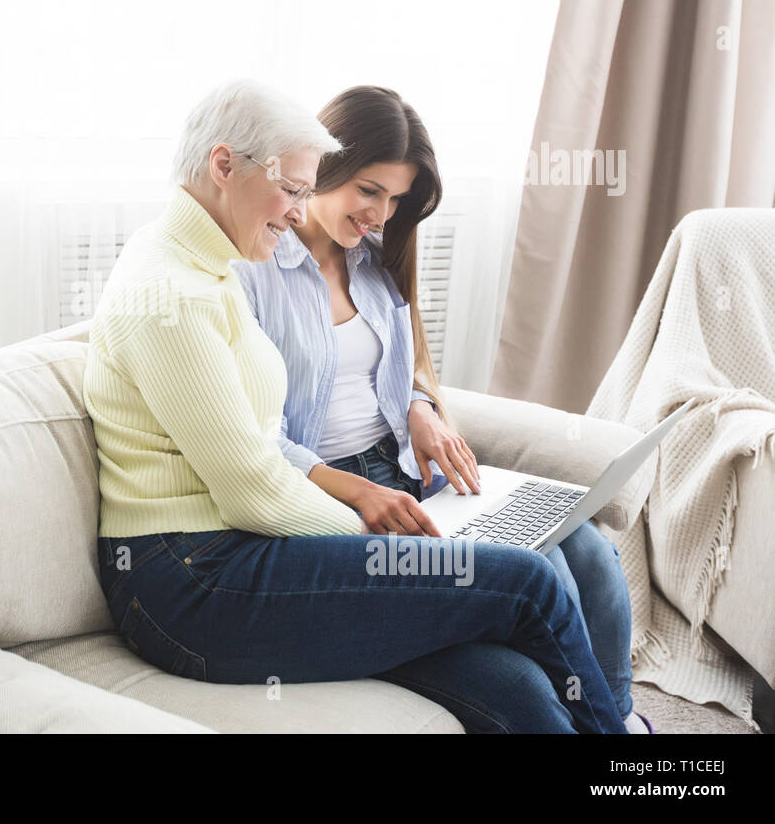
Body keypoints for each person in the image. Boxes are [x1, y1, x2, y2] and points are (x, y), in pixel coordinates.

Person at [84, 78, 628, 733]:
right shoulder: (173, 291)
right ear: (223, 166)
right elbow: (255, 488)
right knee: (528, 582)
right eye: (292, 190)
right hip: (190, 576)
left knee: (518, 688)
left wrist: (417, 431)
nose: (296, 211)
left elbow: (259, 443)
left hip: (236, 551)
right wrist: (395, 547)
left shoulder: (207, 267)